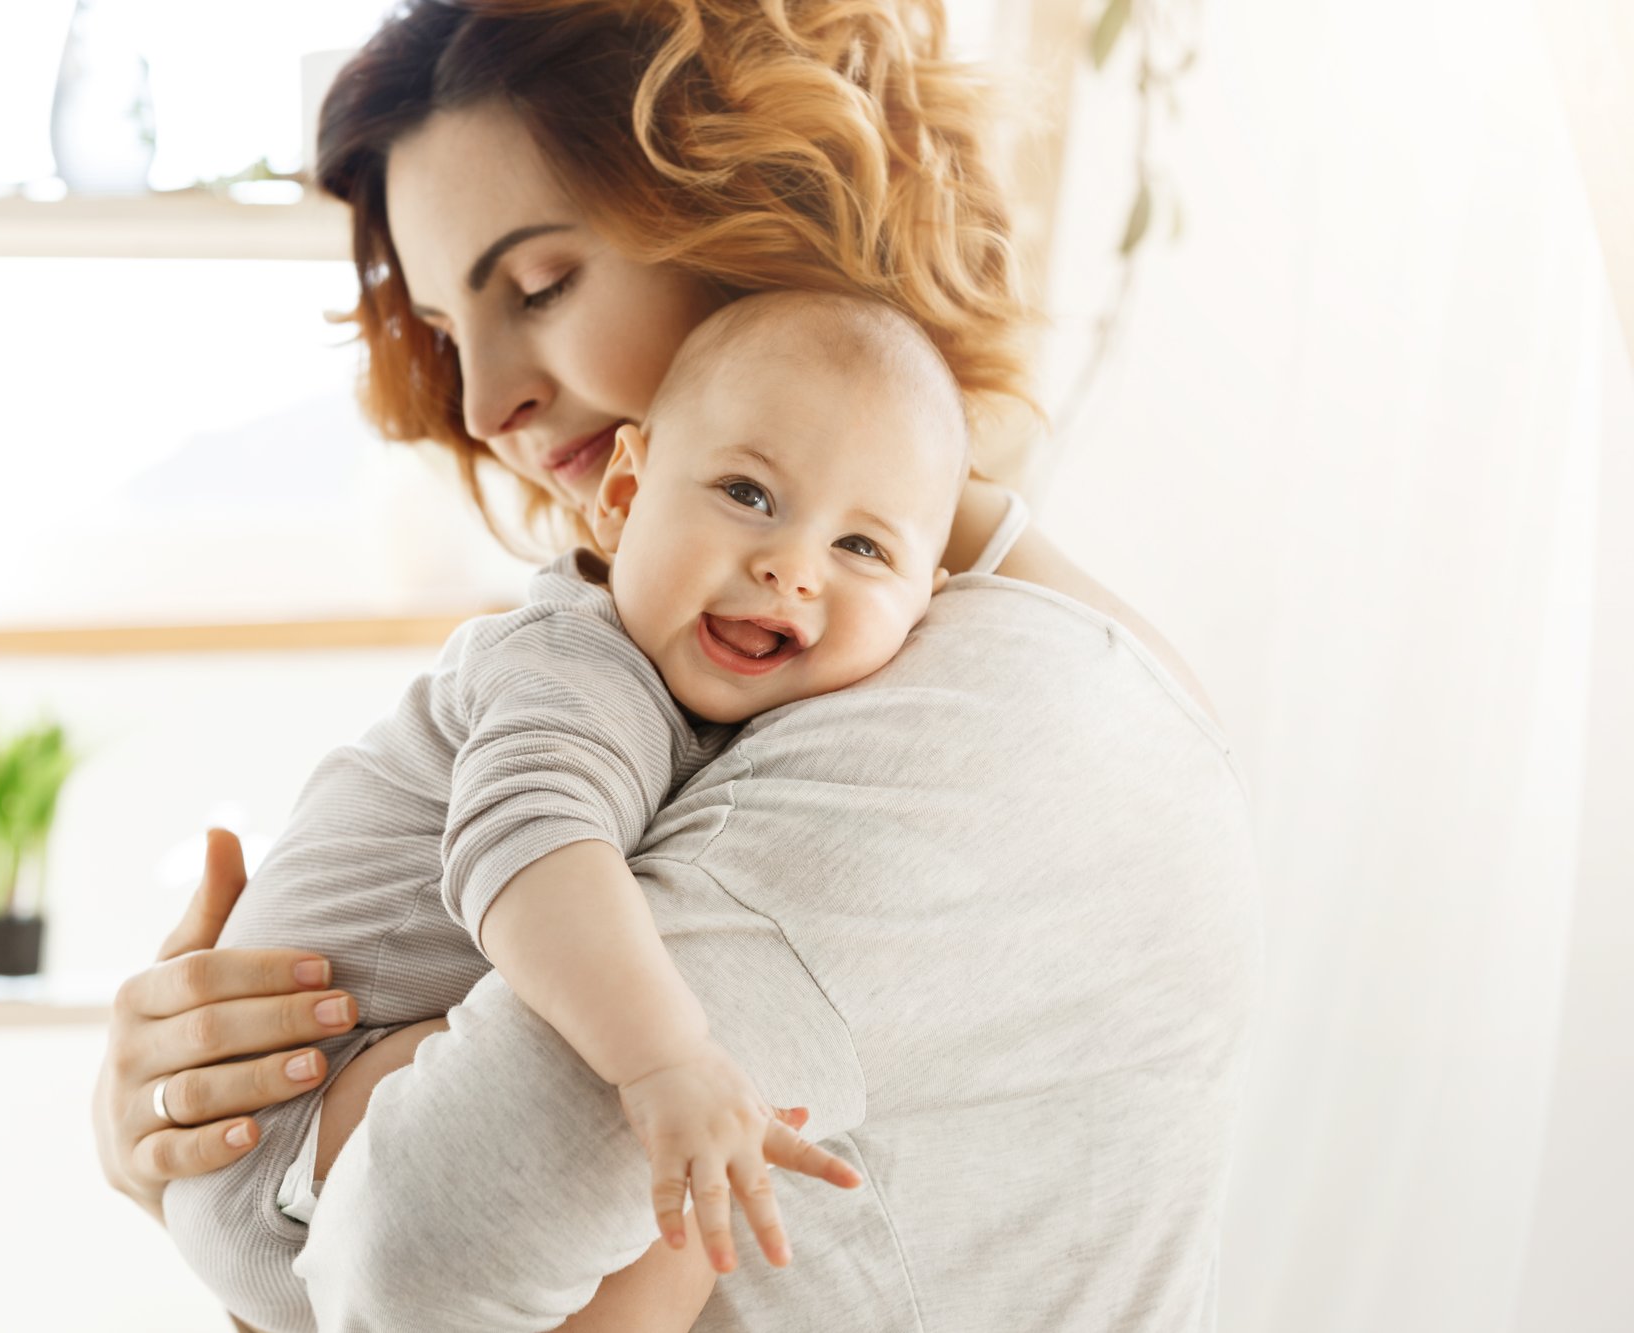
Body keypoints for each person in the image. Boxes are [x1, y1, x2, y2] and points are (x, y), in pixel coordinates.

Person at [91, 3, 1263, 1330]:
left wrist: (298, 1132)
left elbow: (416, 1255)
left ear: (759, 201)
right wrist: (196, 1146)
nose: (483, 408)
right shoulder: (743, 659)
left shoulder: (979, 717)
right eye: (446, 327)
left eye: (538, 287)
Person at [162, 292, 972, 1332]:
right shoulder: (575, 669)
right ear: (624, 495)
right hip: (296, 1115)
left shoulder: (742, 711)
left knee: (690, 1212)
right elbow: (529, 858)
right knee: (648, 1138)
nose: (792, 566)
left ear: (927, 601)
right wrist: (669, 1058)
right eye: (745, 492)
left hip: (316, 1142)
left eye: (863, 549)